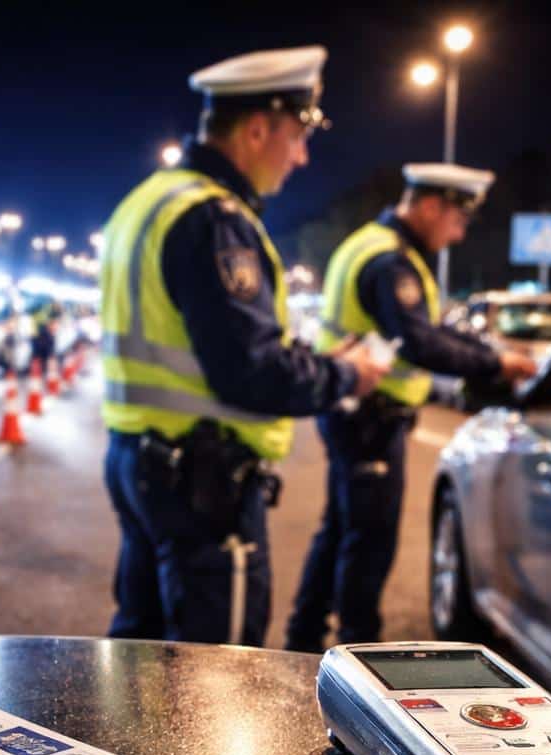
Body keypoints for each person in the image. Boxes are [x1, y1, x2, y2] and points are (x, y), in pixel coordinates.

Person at [100, 45, 390, 646]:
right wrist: (349, 377)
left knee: (137, 659)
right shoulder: (213, 219)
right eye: (298, 137)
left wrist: (317, 362)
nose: (302, 158)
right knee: (219, 686)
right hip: (205, 484)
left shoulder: (147, 201)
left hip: (142, 461)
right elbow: (251, 372)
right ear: (258, 130)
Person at [284, 163, 539, 651]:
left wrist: (486, 359)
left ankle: (303, 638)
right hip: (369, 417)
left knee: (341, 530)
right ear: (429, 206)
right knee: (369, 543)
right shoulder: (390, 263)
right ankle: (358, 654)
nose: (460, 233)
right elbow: (421, 343)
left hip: (352, 411)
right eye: (457, 219)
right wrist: (494, 365)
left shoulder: (374, 246)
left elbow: (429, 333)